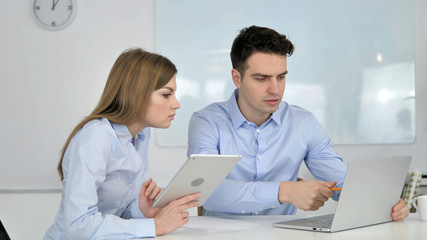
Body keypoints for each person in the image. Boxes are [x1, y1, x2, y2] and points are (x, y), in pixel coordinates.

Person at [187, 25, 408, 221]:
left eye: (281, 77)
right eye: (262, 79)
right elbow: (208, 194)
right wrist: (285, 191)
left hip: (281, 234)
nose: (275, 89)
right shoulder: (207, 122)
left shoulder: (303, 123)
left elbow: (342, 183)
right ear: (237, 78)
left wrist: (384, 202)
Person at [44, 48, 201, 239]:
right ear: (137, 94)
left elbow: (114, 212)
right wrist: (156, 226)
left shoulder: (142, 134)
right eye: (167, 94)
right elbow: (78, 225)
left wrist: (141, 210)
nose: (176, 104)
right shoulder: (95, 138)